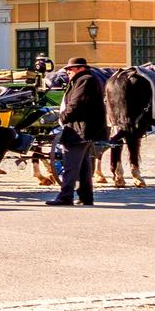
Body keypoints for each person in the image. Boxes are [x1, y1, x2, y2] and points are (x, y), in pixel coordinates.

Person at [49, 57, 105, 206]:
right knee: (84, 166)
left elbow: (76, 104)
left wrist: (62, 117)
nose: (68, 71)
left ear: (81, 68)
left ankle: (65, 196)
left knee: (70, 164)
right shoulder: (86, 80)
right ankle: (86, 196)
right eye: (67, 69)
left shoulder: (84, 80)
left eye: (70, 69)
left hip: (78, 129)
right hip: (85, 129)